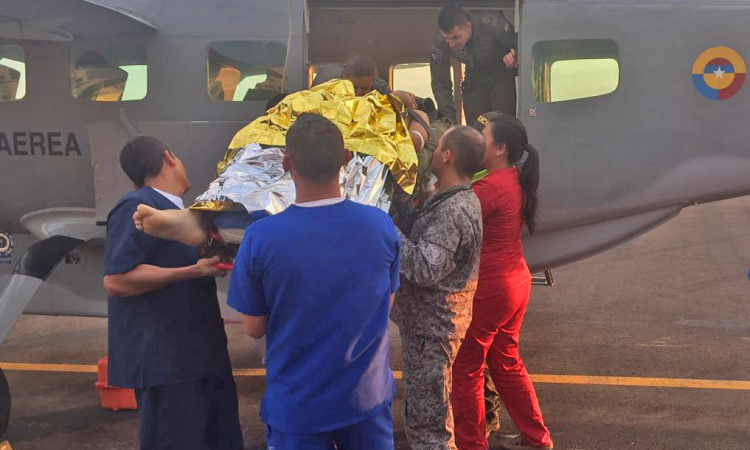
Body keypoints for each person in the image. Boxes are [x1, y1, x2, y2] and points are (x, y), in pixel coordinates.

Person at [226, 113, 401, 450]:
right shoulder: (380, 225)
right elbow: (386, 303)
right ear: (346, 159)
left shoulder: (261, 238)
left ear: (286, 162)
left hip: (298, 406)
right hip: (365, 399)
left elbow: (252, 326)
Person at [102, 136, 244, 450]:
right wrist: (190, 271)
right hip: (168, 363)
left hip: (203, 357)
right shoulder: (138, 206)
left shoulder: (188, 214)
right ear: (169, 158)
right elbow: (116, 280)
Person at [450, 114, 552, 450]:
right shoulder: (512, 178)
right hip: (515, 282)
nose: (479, 139)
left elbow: (451, 219)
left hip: (491, 288)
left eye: (484, 135)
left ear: (501, 148)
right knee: (506, 361)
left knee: (465, 368)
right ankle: (537, 438)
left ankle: (471, 444)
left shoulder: (490, 188)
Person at [391, 125, 485, 450]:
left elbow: (423, 267)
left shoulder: (453, 212)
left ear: (447, 156)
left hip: (432, 331)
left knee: (429, 428)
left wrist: (385, 230)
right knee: (423, 413)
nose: (431, 151)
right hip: (429, 326)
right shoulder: (452, 201)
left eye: (438, 146)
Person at [431, 5, 517, 125]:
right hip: (474, 77)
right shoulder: (440, 41)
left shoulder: (493, 24)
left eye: (455, 37)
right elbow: (440, 81)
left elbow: (522, 48)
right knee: (476, 129)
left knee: (503, 125)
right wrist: (448, 120)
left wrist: (513, 60)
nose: (451, 44)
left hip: (500, 74)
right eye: (447, 39)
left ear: (468, 27)